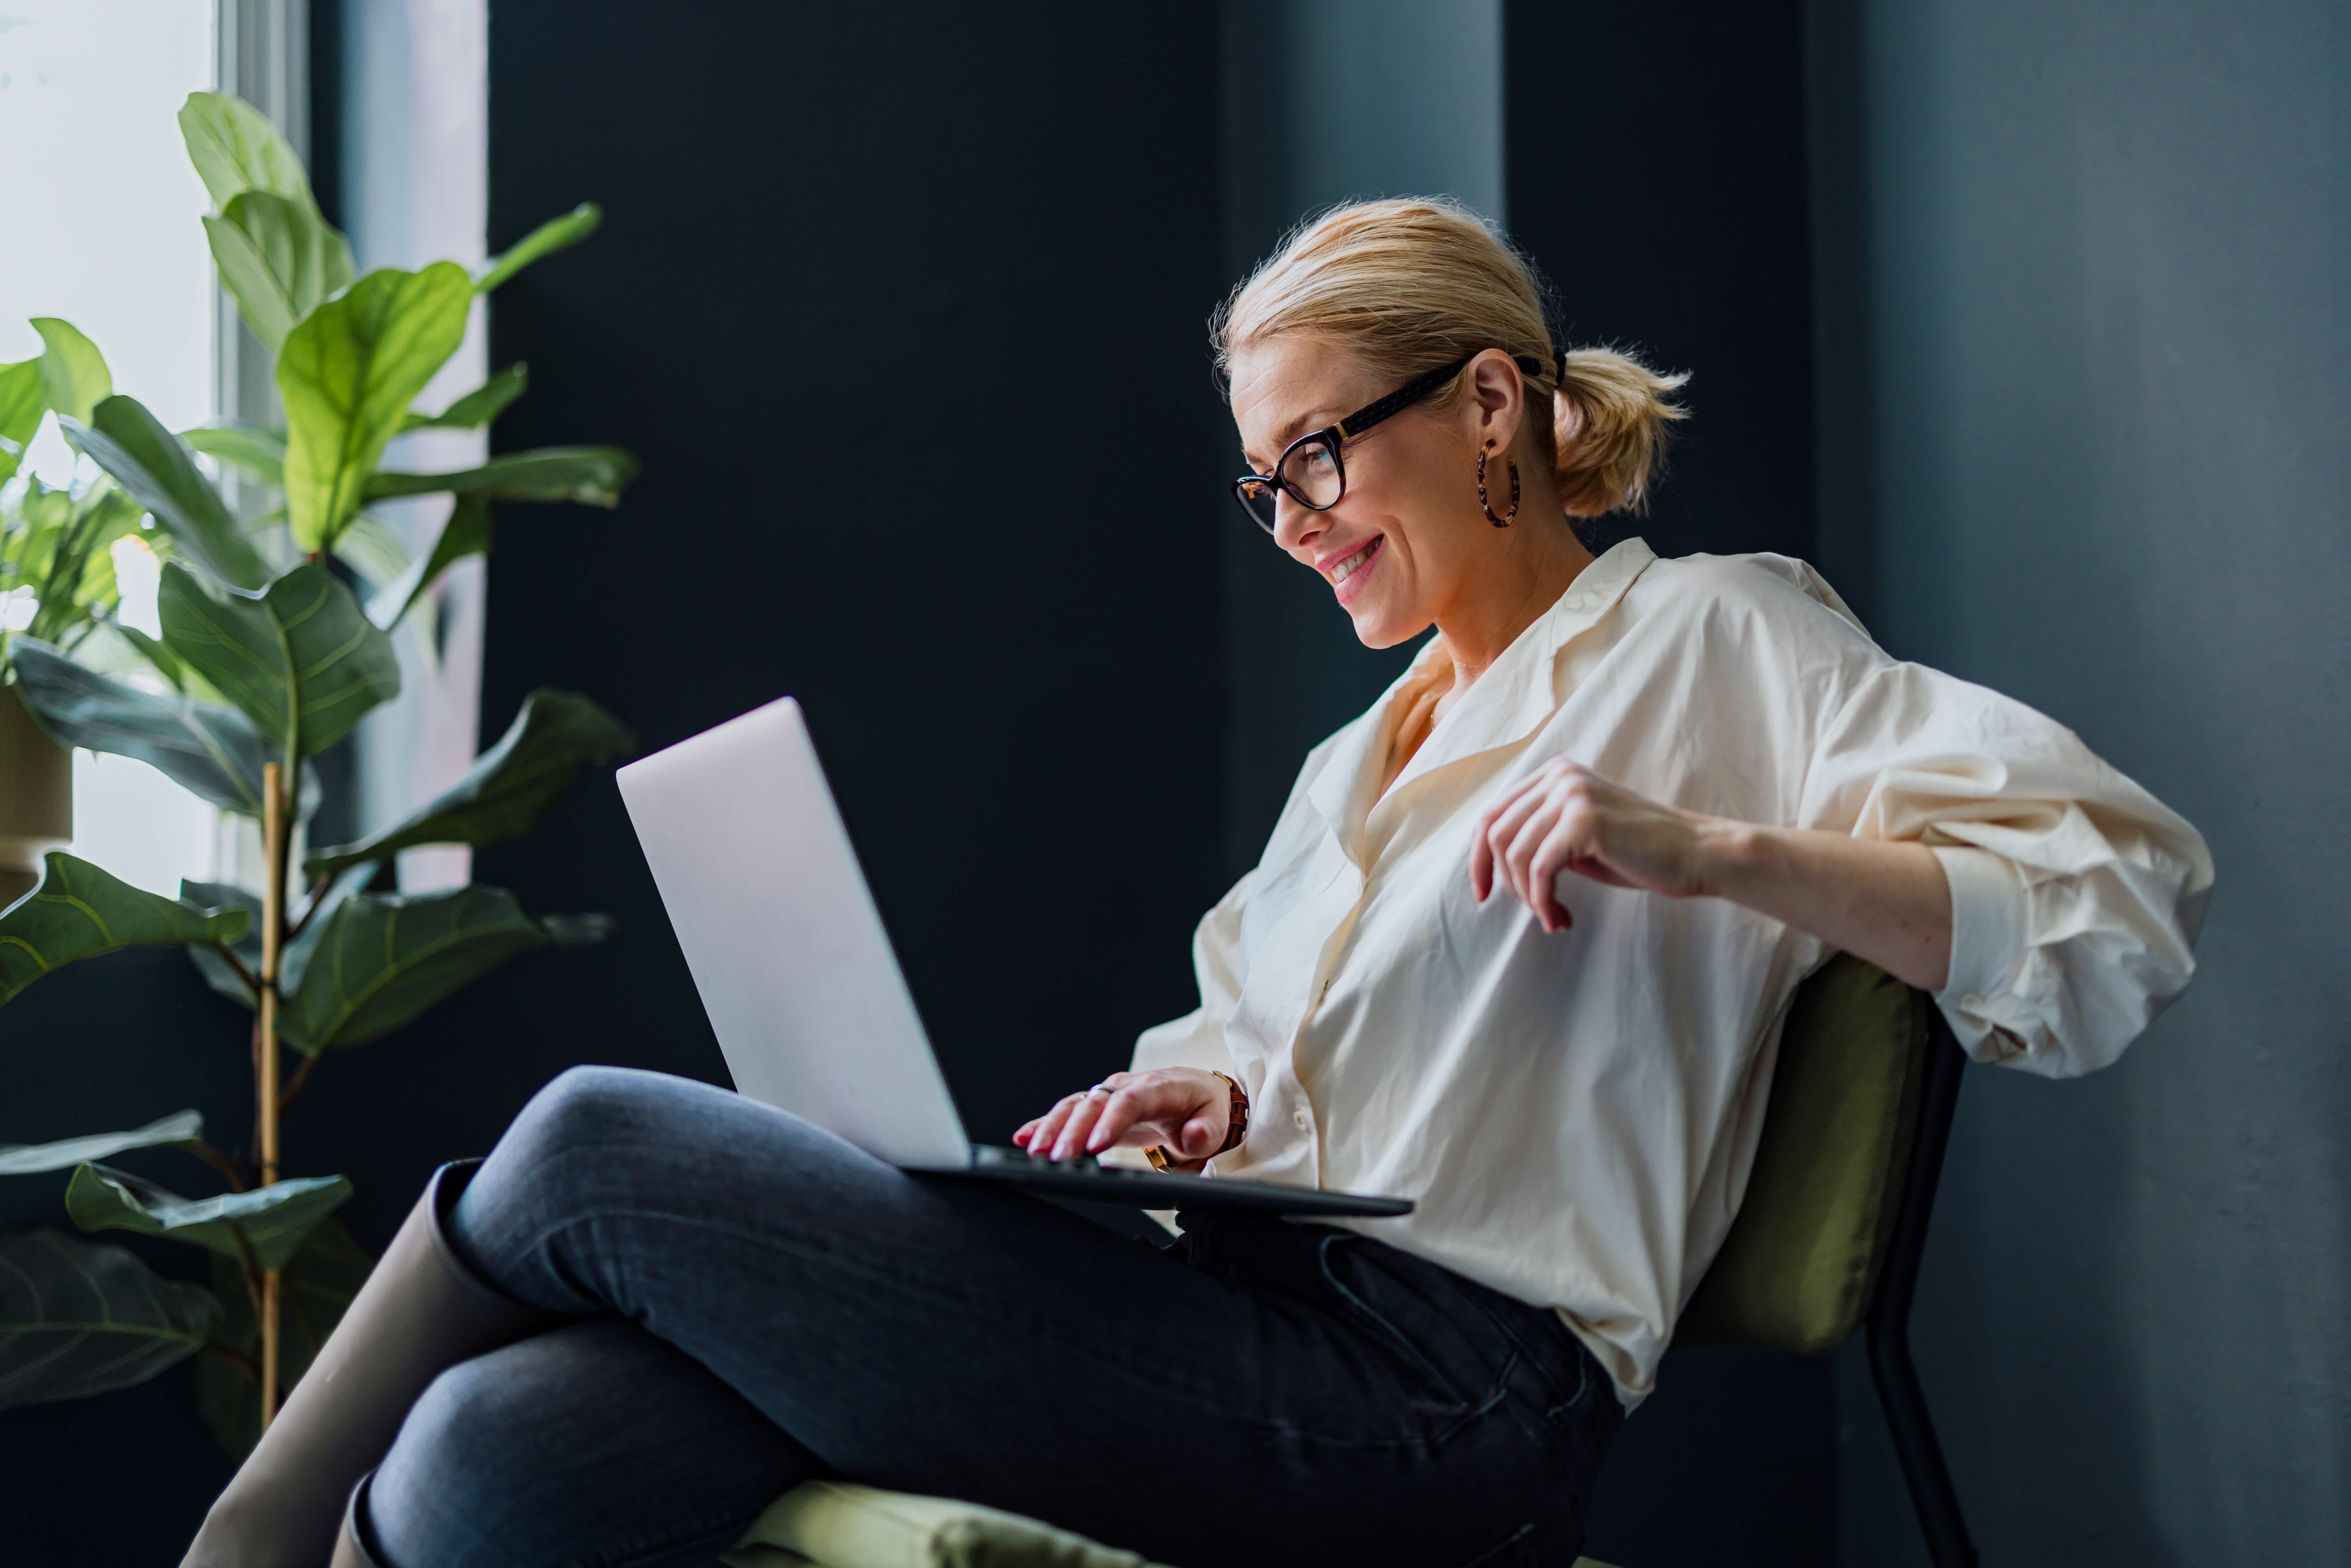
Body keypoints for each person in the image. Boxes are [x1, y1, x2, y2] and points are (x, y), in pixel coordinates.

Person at [184, 198, 2212, 1568]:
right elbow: (1264, 1049)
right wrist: (1207, 1107)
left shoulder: (1719, 646)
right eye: (1268, 484)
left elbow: (2118, 893)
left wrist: (1710, 849)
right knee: (494, 1459)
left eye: (1320, 457)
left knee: (588, 1151)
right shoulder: (1360, 761)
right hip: (1232, 1312)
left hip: (1448, 1406)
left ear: (1488, 403)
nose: (1295, 520)